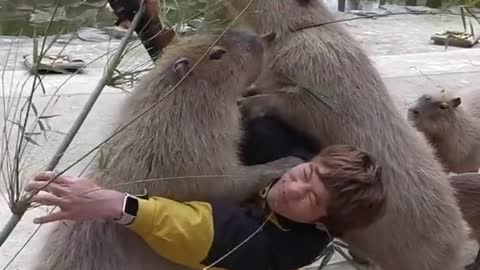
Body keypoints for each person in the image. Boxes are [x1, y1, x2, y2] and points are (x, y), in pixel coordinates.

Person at [25, 144, 386, 270]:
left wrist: (114, 203)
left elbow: (199, 231)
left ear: (323, 225)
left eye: (312, 198)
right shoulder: (295, 165)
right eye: (307, 172)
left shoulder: (275, 248)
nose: (294, 185)